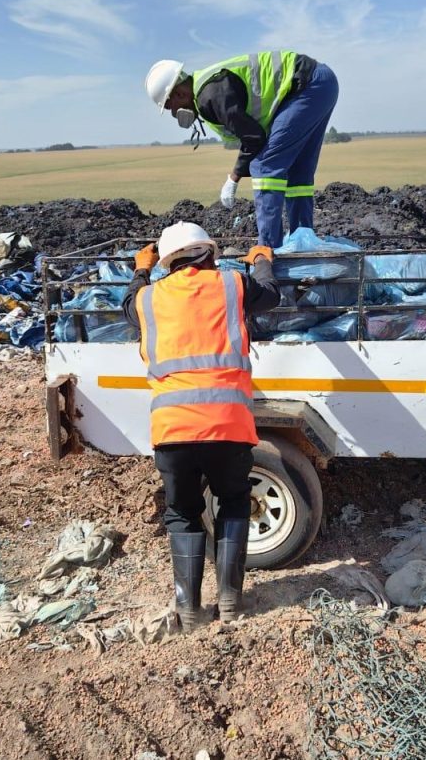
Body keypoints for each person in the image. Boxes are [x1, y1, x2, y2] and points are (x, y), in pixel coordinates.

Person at [122, 221, 281, 632]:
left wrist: (141, 269)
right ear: (210, 254)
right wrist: (261, 260)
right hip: (228, 424)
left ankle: (189, 611)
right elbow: (271, 296)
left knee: (182, 514)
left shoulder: (147, 298)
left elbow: (128, 306)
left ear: (167, 262)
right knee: (233, 504)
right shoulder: (232, 284)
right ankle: (230, 603)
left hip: (173, 429)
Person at [145, 51, 339, 249]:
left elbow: (254, 137)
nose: (173, 113)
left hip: (307, 86)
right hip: (321, 83)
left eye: (170, 106)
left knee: (264, 167)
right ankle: (303, 242)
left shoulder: (209, 96)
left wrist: (233, 178)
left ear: (180, 94)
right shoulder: (206, 87)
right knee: (298, 171)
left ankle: (268, 251)